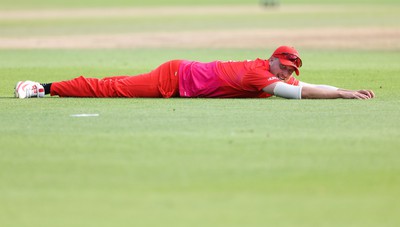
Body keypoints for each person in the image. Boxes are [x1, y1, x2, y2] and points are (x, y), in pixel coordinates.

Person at [14, 46, 375, 100]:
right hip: (174, 77)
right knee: (112, 87)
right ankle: (40, 87)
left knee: (114, 84)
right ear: (274, 61)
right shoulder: (260, 76)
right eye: (287, 67)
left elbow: (305, 84)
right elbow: (302, 93)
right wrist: (344, 95)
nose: (291, 74)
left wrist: (345, 90)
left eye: (293, 69)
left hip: (183, 75)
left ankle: (42, 87)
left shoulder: (269, 72)